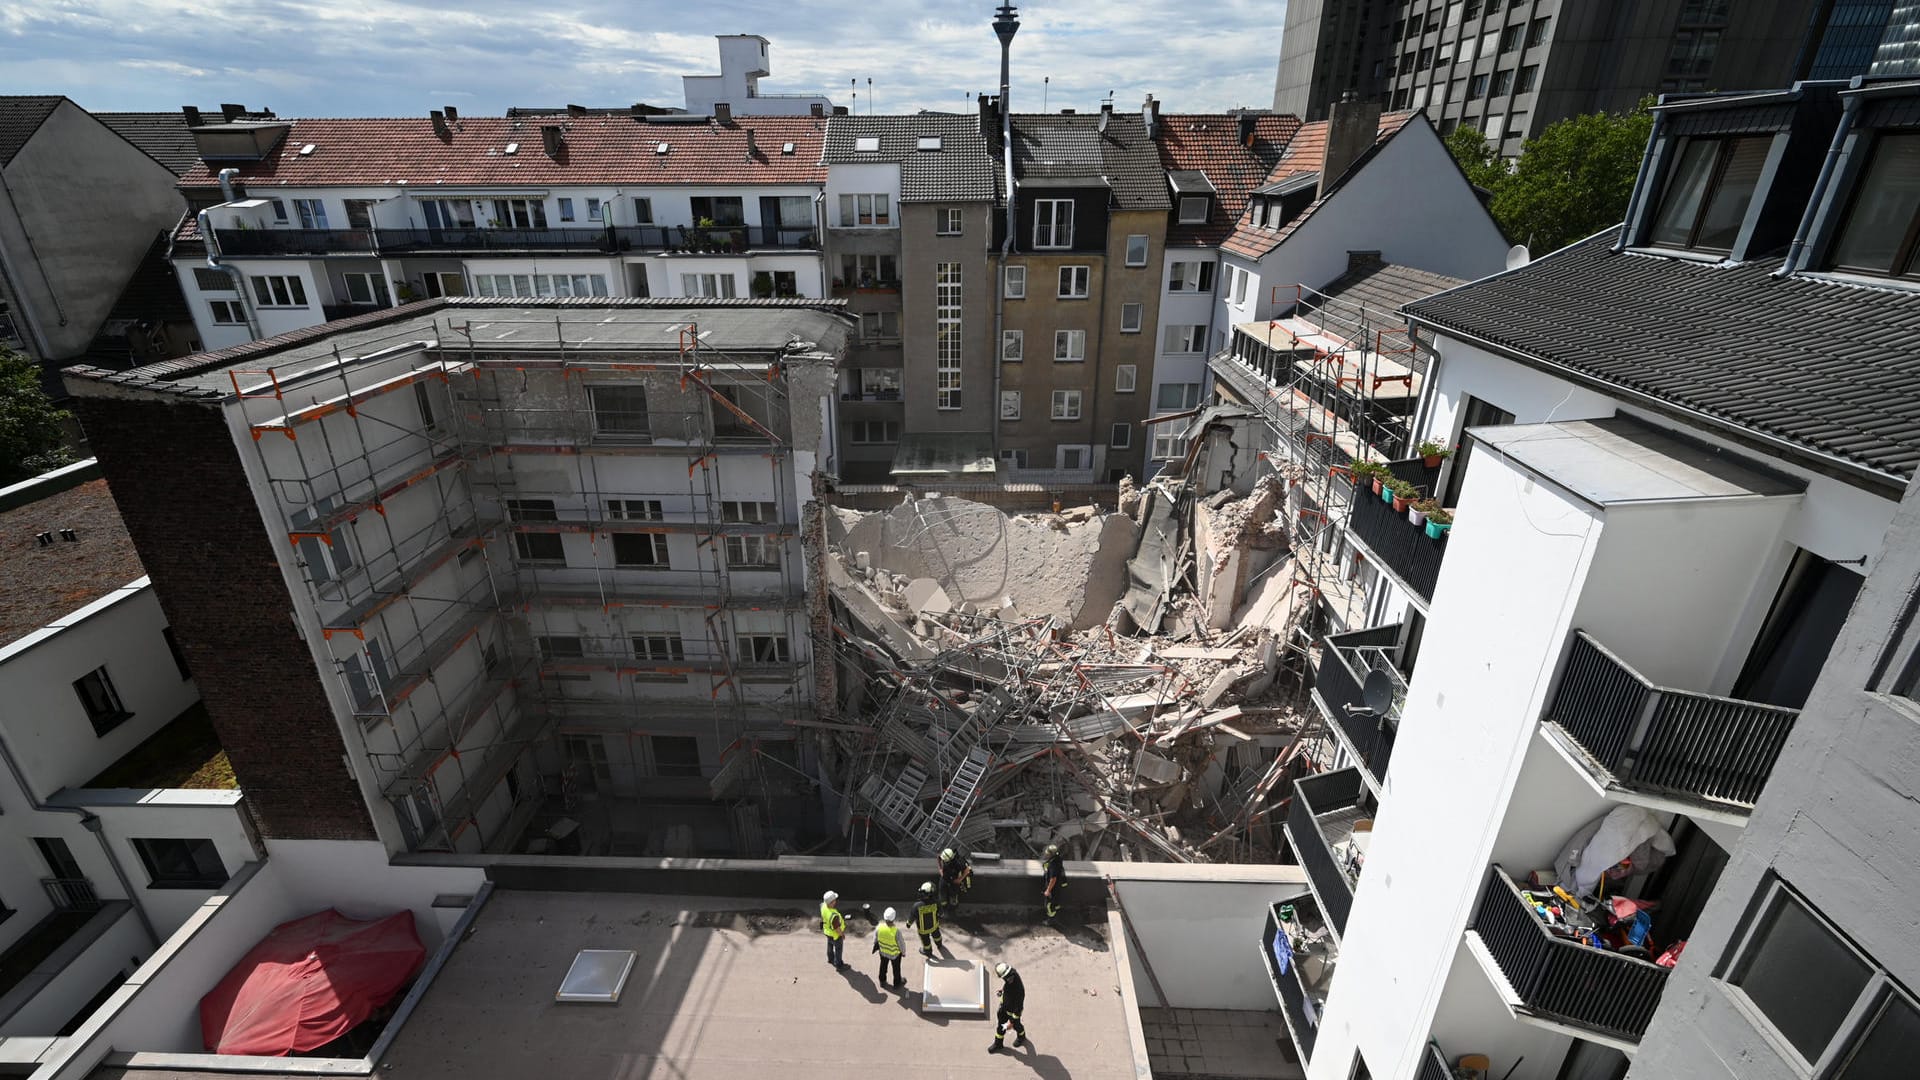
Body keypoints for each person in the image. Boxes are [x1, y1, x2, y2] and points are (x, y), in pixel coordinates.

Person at [988, 962, 1027, 1053]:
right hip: (1004, 1008)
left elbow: (1018, 1007)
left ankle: (1021, 1036)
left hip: (1013, 1013)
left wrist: (1011, 1022)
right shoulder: (1010, 978)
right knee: (1001, 1026)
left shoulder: (1018, 990)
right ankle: (998, 1044)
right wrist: (1003, 990)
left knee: (1017, 1026)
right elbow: (1007, 985)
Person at [873, 906, 905, 988]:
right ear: (894, 918)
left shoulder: (879, 928)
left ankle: (882, 980)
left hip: (883, 952)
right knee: (896, 969)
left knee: (883, 966)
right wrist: (903, 952)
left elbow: (875, 940)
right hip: (895, 955)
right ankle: (897, 983)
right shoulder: (896, 931)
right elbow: (901, 944)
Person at [938, 847, 973, 912]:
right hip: (944, 878)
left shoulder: (958, 862)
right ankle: (944, 908)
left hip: (954, 880)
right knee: (942, 894)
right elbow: (939, 858)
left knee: (953, 896)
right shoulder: (944, 855)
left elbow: (967, 870)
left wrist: (960, 879)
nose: (944, 861)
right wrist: (940, 869)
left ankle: (953, 909)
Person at [914, 881, 943, 958]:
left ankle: (928, 951)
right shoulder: (936, 902)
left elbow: (912, 916)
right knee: (937, 936)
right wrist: (940, 915)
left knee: (926, 941)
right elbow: (941, 912)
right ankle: (939, 944)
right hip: (934, 926)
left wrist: (908, 923)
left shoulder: (917, 905)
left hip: (923, 930)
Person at [820, 890, 847, 969]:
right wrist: (842, 934)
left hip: (827, 932)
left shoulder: (823, 906)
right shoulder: (834, 916)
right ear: (831, 902)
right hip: (835, 935)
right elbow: (837, 928)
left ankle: (830, 958)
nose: (836, 901)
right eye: (834, 900)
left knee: (830, 945)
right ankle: (839, 965)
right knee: (838, 949)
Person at [1041, 843, 1066, 919]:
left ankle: (1051, 919)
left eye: (1048, 854)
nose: (1047, 855)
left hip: (1053, 889)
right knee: (1056, 903)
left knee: (1049, 905)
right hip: (1058, 886)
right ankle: (1057, 914)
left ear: (1051, 854)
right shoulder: (1058, 858)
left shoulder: (1053, 865)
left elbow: (1053, 879)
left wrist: (1048, 890)